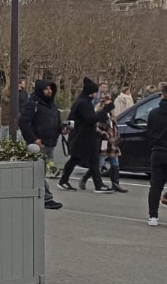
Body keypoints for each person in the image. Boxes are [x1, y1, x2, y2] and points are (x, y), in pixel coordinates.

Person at [59, 79, 114, 193]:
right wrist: (105, 110)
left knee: (85, 159)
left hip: (82, 135)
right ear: (91, 93)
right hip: (83, 136)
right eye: (95, 92)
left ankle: (65, 181)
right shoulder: (84, 103)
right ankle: (97, 185)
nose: (96, 94)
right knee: (83, 159)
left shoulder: (81, 101)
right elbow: (91, 119)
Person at [18, 79, 65, 210]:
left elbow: (56, 122)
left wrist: (62, 129)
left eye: (51, 88)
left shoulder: (52, 106)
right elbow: (23, 122)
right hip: (38, 145)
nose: (49, 91)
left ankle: (36, 194)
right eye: (46, 89)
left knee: (42, 172)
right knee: (39, 172)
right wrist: (33, 139)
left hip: (50, 143)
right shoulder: (33, 103)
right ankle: (46, 198)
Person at [144, 85, 167, 226]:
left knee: (156, 185)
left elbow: (149, 133)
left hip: (158, 151)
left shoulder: (153, 113)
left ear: (162, 95)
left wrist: (154, 144)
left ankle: (153, 216)